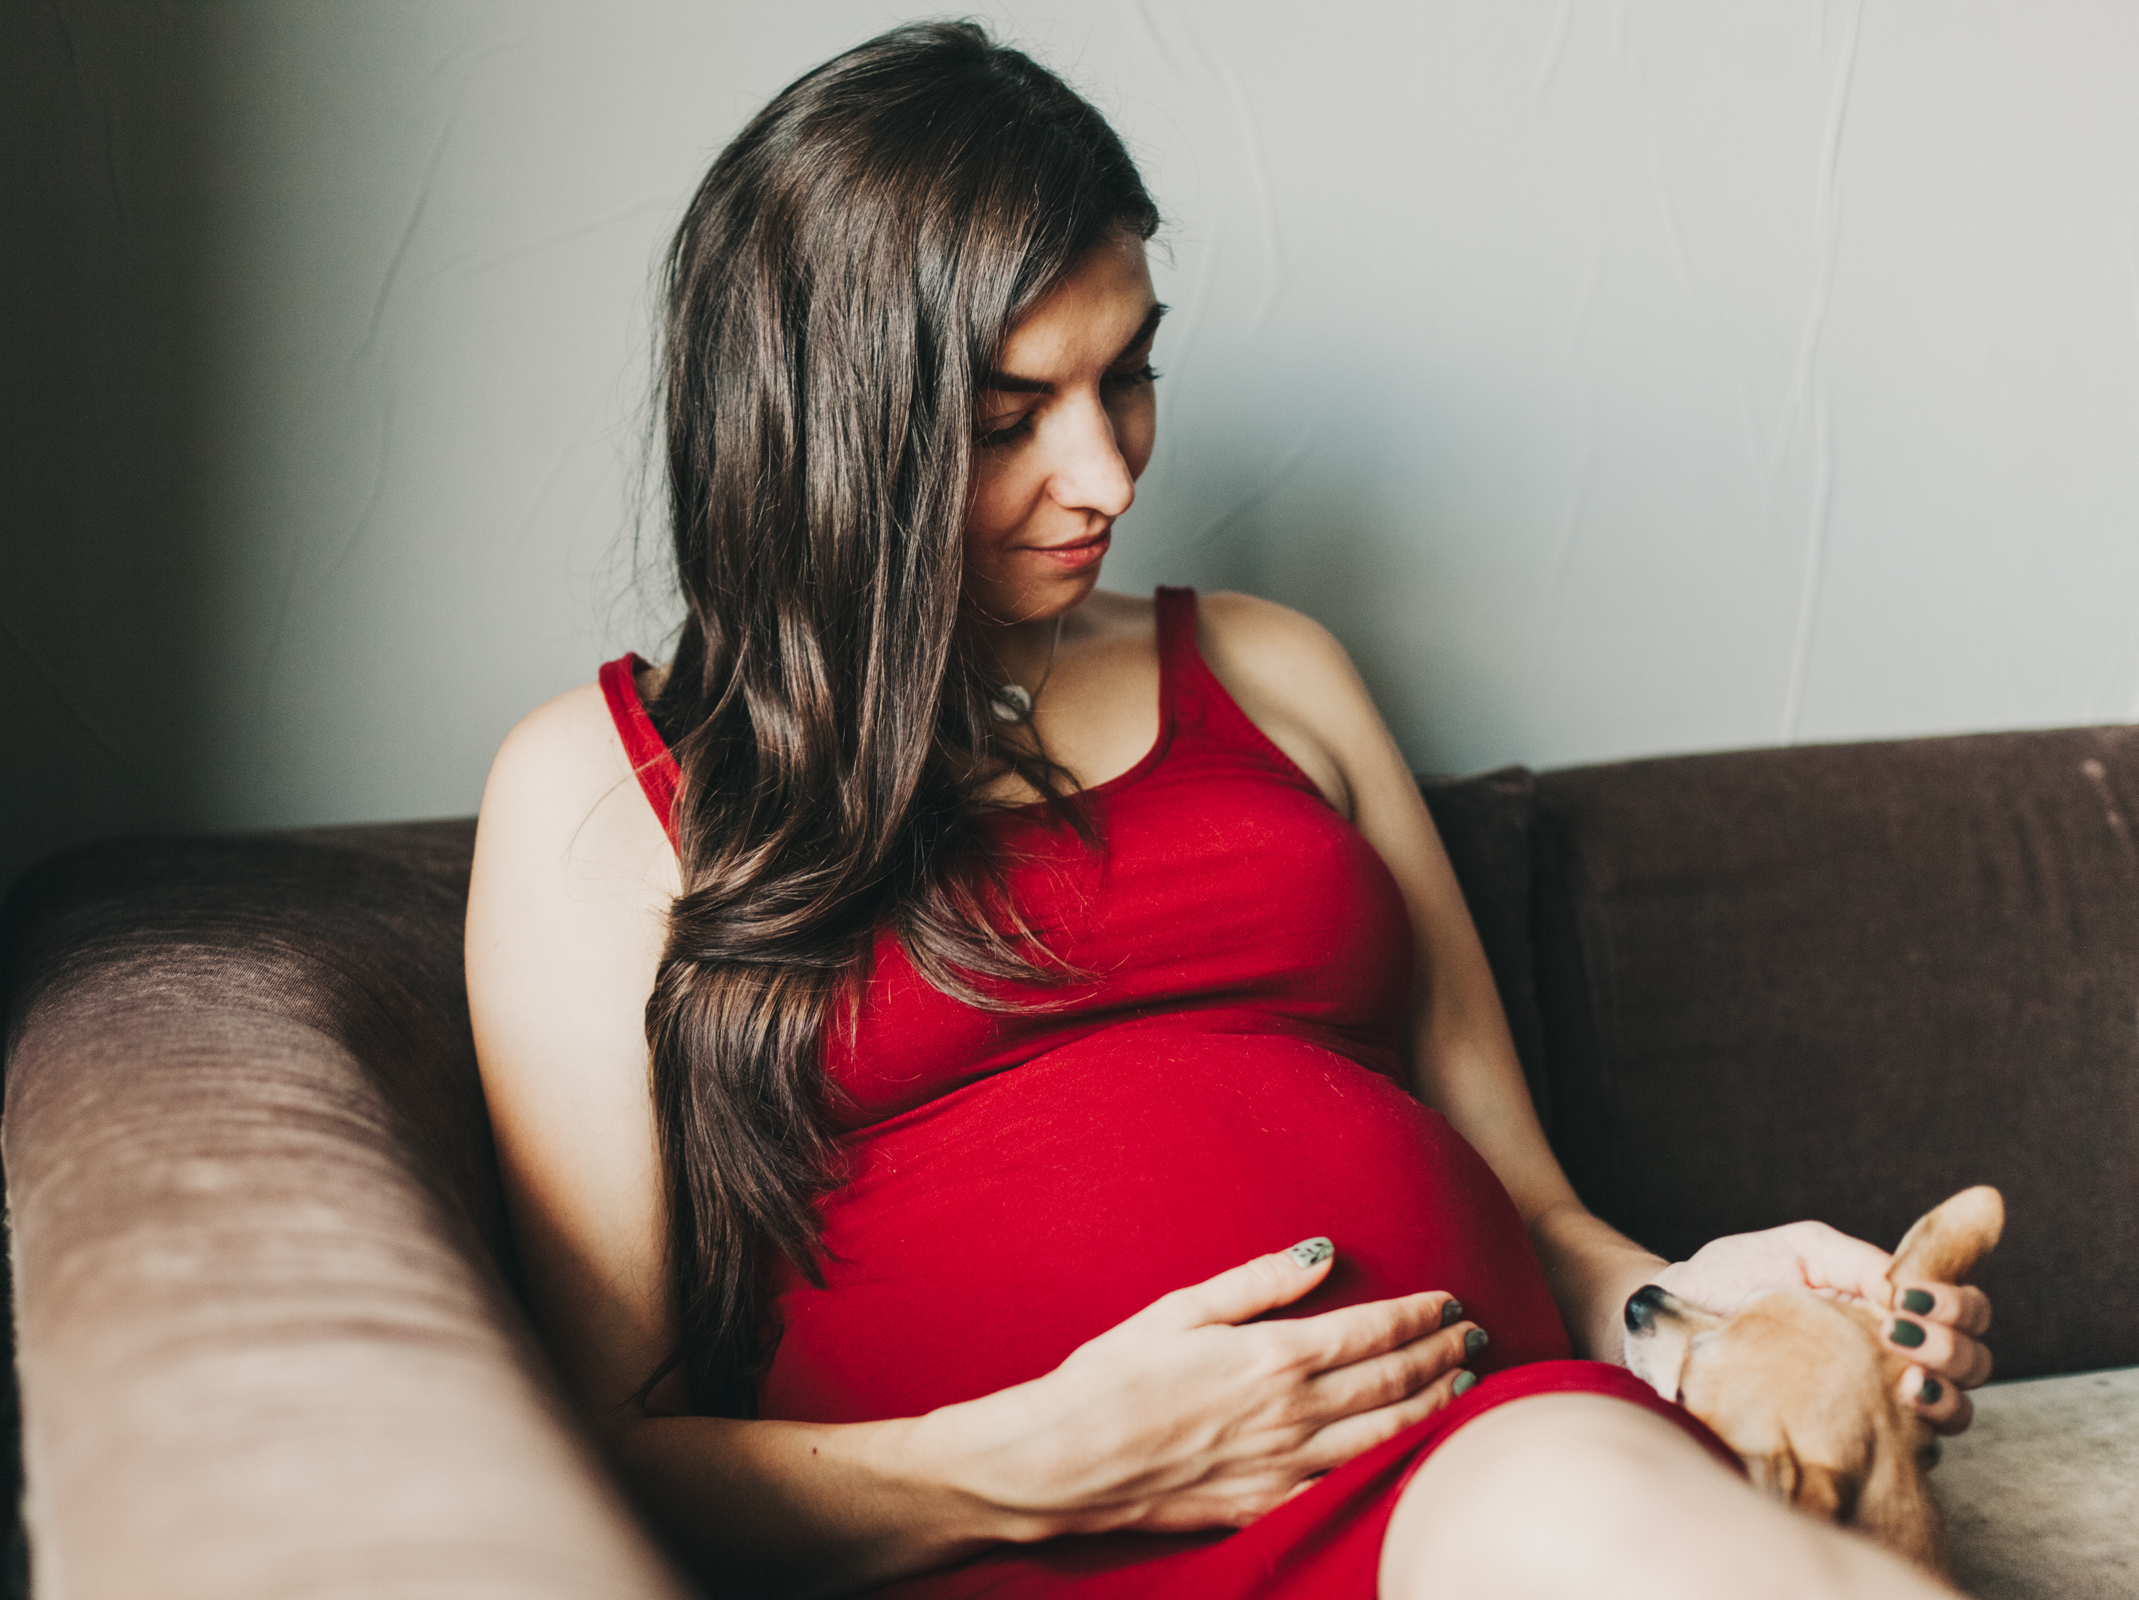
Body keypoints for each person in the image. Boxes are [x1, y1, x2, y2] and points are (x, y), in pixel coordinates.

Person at [465, 23, 1991, 1599]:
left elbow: (1538, 1212)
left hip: (1470, 1474)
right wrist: (1031, 1465)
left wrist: (1701, 1322)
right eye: (1007, 419)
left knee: (1612, 1517)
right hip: (1005, 1548)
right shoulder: (600, 789)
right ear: (824, 430)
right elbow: (609, 1448)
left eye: (1128, 377)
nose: (1107, 476)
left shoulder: (1274, 671)